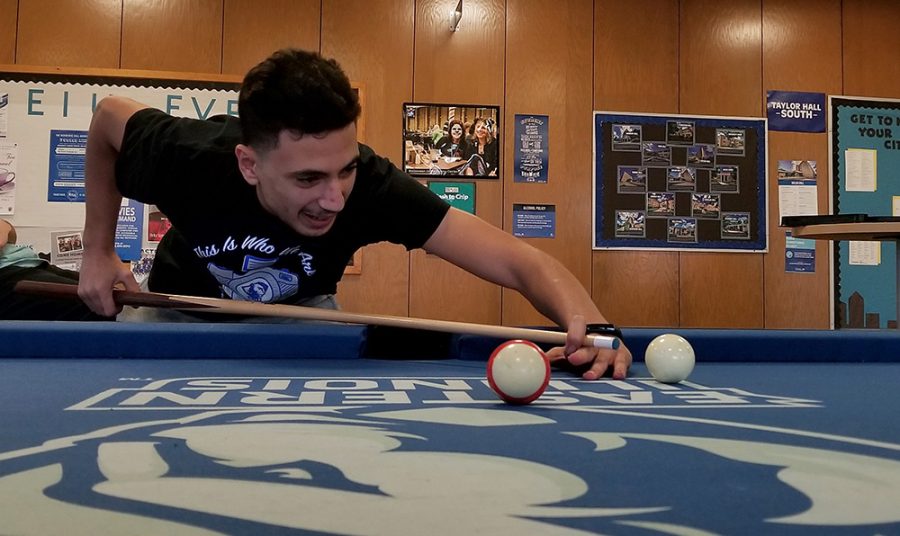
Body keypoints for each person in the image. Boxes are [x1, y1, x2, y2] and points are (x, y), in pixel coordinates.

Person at [78, 48, 631, 380]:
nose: (335, 198)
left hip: (302, 321)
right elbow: (108, 119)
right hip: (174, 315)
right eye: (307, 179)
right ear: (249, 164)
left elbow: (516, 261)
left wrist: (595, 327)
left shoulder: (373, 186)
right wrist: (99, 252)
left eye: (342, 169)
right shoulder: (190, 155)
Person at [0, 218, 110, 320]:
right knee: (96, 302)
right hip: (9, 273)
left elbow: (10, 236)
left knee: (105, 288)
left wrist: (6, 225)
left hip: (29, 263)